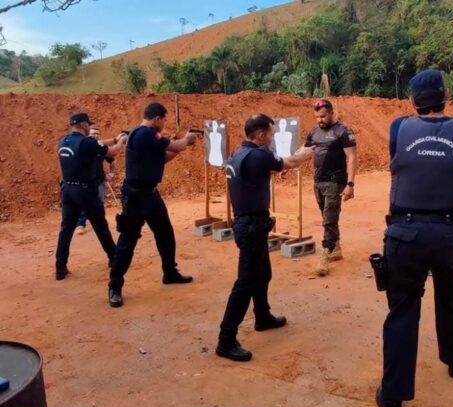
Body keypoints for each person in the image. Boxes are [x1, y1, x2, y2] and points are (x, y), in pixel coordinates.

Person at [375, 69, 453, 407]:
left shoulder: (398, 128)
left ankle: (393, 398)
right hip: (451, 234)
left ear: (412, 102)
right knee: (452, 298)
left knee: (403, 312)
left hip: (405, 234)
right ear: (445, 94)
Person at [216, 114, 314, 362]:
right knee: (245, 284)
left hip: (249, 224)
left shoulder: (238, 155)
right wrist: (310, 151)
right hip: (251, 226)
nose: (272, 138)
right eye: (270, 134)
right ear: (260, 135)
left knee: (263, 274)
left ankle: (262, 315)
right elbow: (290, 162)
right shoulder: (259, 155)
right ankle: (226, 339)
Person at [108, 102, 200, 308]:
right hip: (136, 196)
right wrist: (187, 139)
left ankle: (169, 272)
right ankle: (115, 286)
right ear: (156, 118)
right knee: (128, 241)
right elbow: (174, 145)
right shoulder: (146, 133)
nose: (164, 123)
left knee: (165, 233)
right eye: (164, 119)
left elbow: (164, 157)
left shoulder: (143, 136)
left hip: (150, 193)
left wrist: (182, 146)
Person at [55, 113, 127, 280]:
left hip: (68, 190)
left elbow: (97, 145)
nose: (89, 127)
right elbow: (113, 152)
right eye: (88, 124)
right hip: (85, 191)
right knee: (101, 226)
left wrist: (116, 138)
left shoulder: (64, 141)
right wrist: (122, 142)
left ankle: (60, 267)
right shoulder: (86, 142)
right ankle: (114, 258)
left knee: (66, 229)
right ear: (83, 124)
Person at [304, 99, 357, 276]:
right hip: (318, 182)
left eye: (323, 116)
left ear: (332, 113)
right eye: (317, 116)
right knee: (327, 217)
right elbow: (303, 152)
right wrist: (288, 167)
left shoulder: (343, 131)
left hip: (335, 182)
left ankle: (325, 257)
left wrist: (350, 184)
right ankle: (337, 249)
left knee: (329, 219)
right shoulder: (314, 132)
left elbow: (351, 157)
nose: (320, 119)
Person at [75, 126, 116, 235]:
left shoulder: (101, 148)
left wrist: (111, 174)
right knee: (85, 202)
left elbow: (112, 161)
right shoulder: (84, 147)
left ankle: (100, 224)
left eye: (97, 134)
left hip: (99, 180)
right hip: (86, 181)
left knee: (99, 202)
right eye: (93, 133)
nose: (95, 135)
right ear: (88, 135)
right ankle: (80, 224)